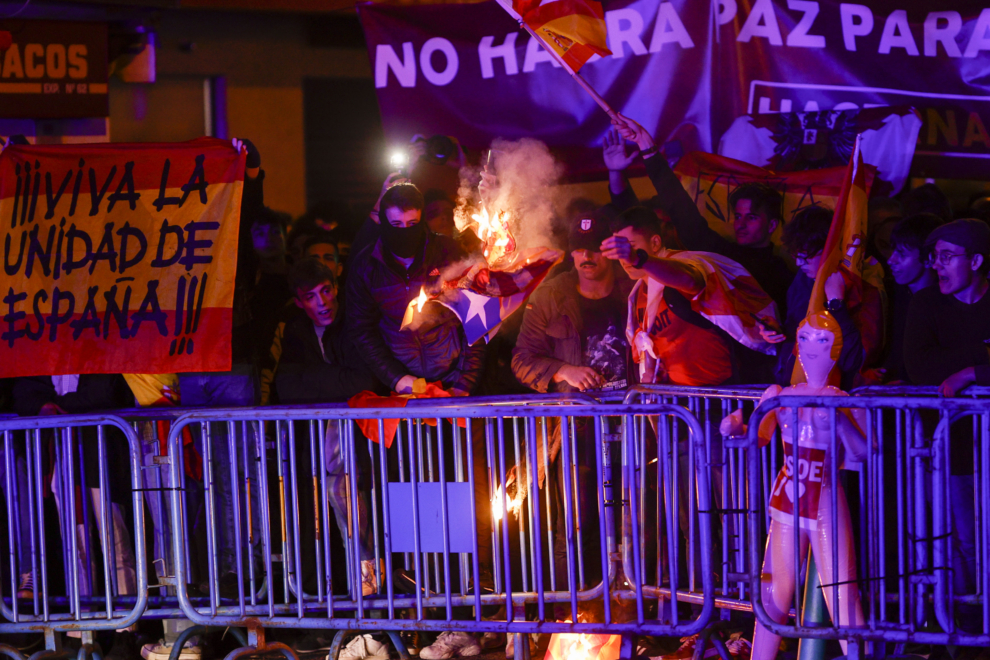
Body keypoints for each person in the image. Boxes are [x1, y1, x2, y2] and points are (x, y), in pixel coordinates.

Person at [346, 182, 488, 660]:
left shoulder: (449, 252)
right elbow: (362, 330)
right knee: (412, 508)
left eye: (413, 226)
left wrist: (464, 384)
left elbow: (478, 321)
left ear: (423, 222)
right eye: (396, 226)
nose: (405, 233)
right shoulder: (367, 265)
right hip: (405, 402)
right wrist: (397, 378)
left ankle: (465, 621)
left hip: (453, 400)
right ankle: (426, 621)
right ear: (382, 219)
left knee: (461, 507)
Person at [721, 312, 868, 660]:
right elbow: (755, 438)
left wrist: (839, 418)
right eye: (804, 338)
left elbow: (865, 453)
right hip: (788, 497)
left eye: (822, 340)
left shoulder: (846, 398)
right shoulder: (778, 394)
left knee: (841, 590)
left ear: (836, 348)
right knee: (774, 589)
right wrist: (733, 428)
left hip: (826, 497)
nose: (811, 347)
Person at [511, 213, 633, 599]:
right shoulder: (551, 295)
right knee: (577, 524)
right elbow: (521, 359)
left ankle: (640, 612)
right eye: (578, 248)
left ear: (610, 250)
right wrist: (564, 369)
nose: (586, 255)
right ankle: (576, 618)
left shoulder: (635, 287)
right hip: (575, 430)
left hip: (634, 429)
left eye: (595, 247)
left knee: (637, 524)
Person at [604, 119, 793, 315]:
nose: (741, 224)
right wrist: (646, 147)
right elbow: (672, 213)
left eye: (751, 217)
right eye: (738, 216)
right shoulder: (722, 254)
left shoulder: (781, 274)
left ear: (772, 225)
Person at [903, 219, 990, 636]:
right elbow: (921, 367)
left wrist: (971, 371)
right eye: (934, 257)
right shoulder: (926, 305)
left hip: (984, 443)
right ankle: (968, 631)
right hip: (949, 447)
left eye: (947, 257)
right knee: (959, 541)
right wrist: (983, 355)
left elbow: (947, 365)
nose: (937, 266)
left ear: (976, 261)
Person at [761, 205, 883, 389]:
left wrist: (837, 304)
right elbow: (797, 338)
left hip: (840, 400)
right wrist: (777, 332)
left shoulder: (865, 287)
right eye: (796, 253)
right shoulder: (802, 281)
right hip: (797, 392)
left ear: (831, 250)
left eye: (806, 254)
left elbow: (855, 360)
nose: (798, 262)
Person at [881, 213, 942, 383]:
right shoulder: (890, 295)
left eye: (901, 253)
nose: (891, 260)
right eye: (893, 250)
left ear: (929, 258)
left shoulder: (946, 302)